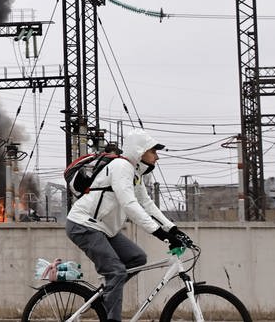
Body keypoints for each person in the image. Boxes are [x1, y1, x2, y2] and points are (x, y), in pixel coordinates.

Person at [65, 129, 193, 322]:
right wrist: (160, 234)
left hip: (104, 228)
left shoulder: (134, 173)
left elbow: (147, 204)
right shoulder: (121, 166)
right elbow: (130, 204)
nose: (157, 157)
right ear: (140, 151)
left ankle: (108, 292)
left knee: (137, 258)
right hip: (84, 225)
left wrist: (172, 229)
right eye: (153, 151)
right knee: (116, 271)